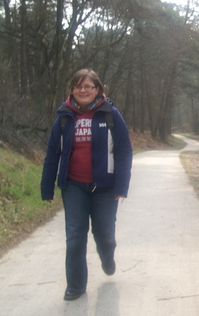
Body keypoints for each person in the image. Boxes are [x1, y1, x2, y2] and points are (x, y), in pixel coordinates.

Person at [41, 69, 133, 301]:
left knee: (105, 235)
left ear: (98, 90)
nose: (83, 90)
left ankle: (107, 257)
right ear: (72, 89)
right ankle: (75, 285)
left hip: (105, 188)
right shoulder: (64, 117)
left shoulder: (110, 115)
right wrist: (47, 187)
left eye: (88, 86)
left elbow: (124, 151)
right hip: (73, 186)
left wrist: (121, 186)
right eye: (78, 86)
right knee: (75, 235)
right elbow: (53, 153)